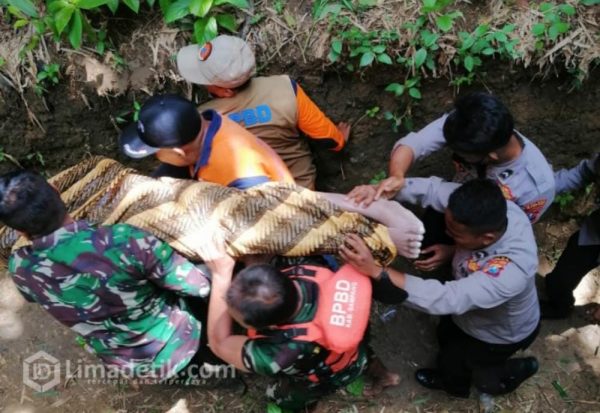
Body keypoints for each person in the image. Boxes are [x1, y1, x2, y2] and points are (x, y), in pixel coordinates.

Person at [0, 170, 215, 381]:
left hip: (124, 362)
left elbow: (34, 294)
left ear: (19, 231)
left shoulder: (21, 267)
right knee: (205, 273)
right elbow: (198, 286)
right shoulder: (122, 240)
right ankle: (217, 355)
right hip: (179, 344)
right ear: (57, 190)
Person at [341, 179, 541, 398]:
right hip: (470, 316)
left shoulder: (511, 273)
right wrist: (377, 190)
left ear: (487, 238)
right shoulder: (493, 209)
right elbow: (433, 190)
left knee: (468, 368)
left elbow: (447, 298)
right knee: (447, 338)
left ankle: (505, 376)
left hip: (496, 334)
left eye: (455, 234)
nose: (447, 232)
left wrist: (376, 270)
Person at [347, 92, 555, 270]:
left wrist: (453, 251)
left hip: (475, 236)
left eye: (460, 153)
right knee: (426, 238)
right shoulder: (470, 122)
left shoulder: (532, 188)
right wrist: (397, 176)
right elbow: (416, 144)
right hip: (448, 203)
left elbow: (504, 234)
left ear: (490, 157)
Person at [204, 254, 400, 411]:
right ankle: (386, 376)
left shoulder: (282, 352)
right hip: (352, 339)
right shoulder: (308, 265)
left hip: (329, 372)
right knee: (364, 358)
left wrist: (221, 275)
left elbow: (218, 343)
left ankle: (302, 407)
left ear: (270, 327)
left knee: (287, 396)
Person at [177, 35, 350, 189]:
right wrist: (339, 139)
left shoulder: (202, 119)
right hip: (303, 189)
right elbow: (328, 139)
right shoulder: (285, 88)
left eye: (204, 81)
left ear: (226, 92)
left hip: (250, 202)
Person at [120, 94, 294, 189]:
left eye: (156, 153)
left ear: (179, 152)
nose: (156, 158)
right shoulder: (207, 123)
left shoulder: (242, 179)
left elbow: (264, 235)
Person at [543, 153, 600, 321]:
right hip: (594, 235)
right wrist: (540, 188)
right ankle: (559, 306)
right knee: (558, 282)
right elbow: (582, 173)